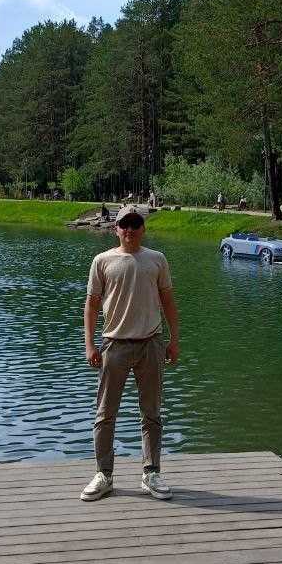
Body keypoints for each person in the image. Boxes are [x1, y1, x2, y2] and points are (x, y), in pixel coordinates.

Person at [81, 205, 179, 503]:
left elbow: (168, 302)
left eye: (136, 224)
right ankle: (104, 475)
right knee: (105, 414)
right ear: (116, 229)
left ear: (143, 229)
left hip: (151, 343)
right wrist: (89, 345)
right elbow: (91, 305)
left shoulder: (157, 260)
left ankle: (151, 473)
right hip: (114, 345)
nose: (130, 230)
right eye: (125, 224)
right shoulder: (102, 261)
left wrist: (174, 340)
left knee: (152, 413)